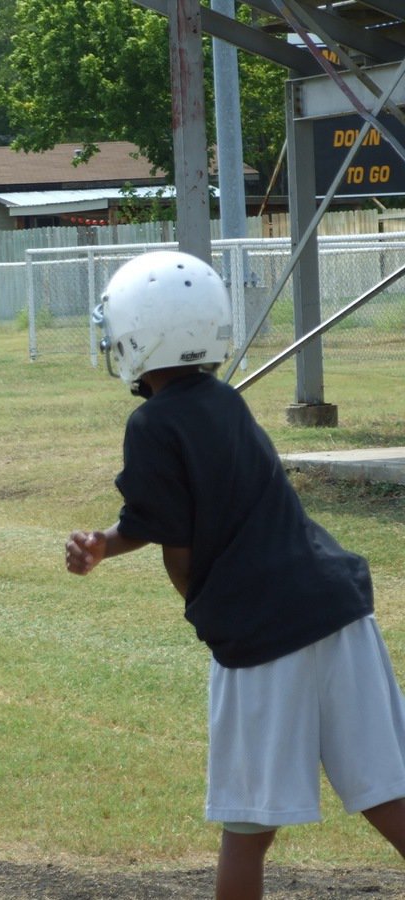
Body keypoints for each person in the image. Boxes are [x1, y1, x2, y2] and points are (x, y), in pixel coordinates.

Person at [64, 250, 405, 900]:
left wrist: (213, 616)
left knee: (246, 827)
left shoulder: (151, 423)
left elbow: (176, 541)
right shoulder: (222, 400)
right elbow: (165, 513)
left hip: (263, 636)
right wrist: (106, 544)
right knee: (388, 789)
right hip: (337, 606)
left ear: (141, 331)